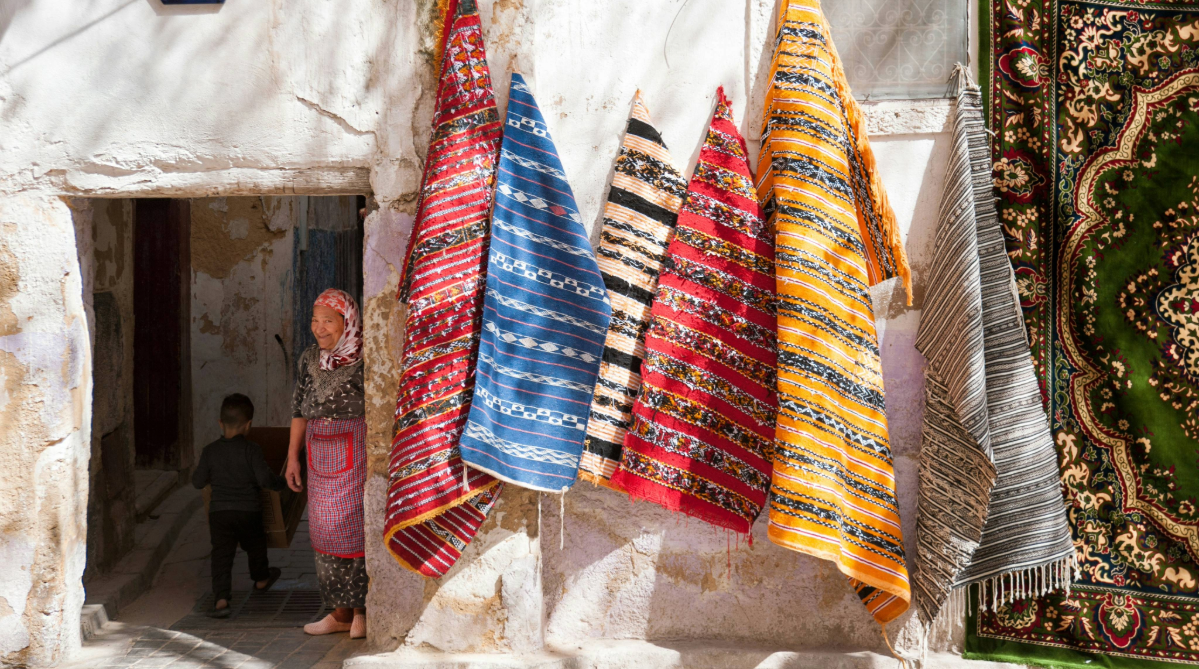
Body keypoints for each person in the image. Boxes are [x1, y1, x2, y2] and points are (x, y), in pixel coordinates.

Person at [286, 288, 368, 638]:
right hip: (318, 454)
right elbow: (299, 410)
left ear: (347, 322)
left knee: (356, 529)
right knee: (322, 530)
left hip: (356, 453)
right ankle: (339, 613)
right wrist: (292, 456)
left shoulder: (367, 359)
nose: (319, 328)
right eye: (315, 320)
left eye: (328, 321)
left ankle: (363, 610)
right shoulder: (308, 359)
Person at [191, 393, 285, 618]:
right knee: (255, 545)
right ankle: (261, 579)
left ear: (220, 423)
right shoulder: (252, 450)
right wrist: (282, 483)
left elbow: (197, 482)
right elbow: (265, 480)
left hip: (219, 513)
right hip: (249, 511)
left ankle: (222, 598)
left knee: (221, 555)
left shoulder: (210, 451)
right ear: (249, 425)